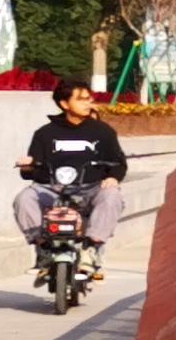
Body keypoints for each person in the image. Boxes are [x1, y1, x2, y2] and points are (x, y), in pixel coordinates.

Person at [14, 75, 129, 277]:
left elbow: (119, 163)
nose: (87, 103)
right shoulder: (44, 133)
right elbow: (34, 170)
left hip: (91, 189)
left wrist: (112, 178)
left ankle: (91, 249)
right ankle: (43, 248)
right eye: (81, 99)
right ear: (64, 104)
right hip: (52, 189)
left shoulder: (103, 132)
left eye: (88, 98)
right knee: (25, 198)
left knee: (112, 196)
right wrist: (27, 166)